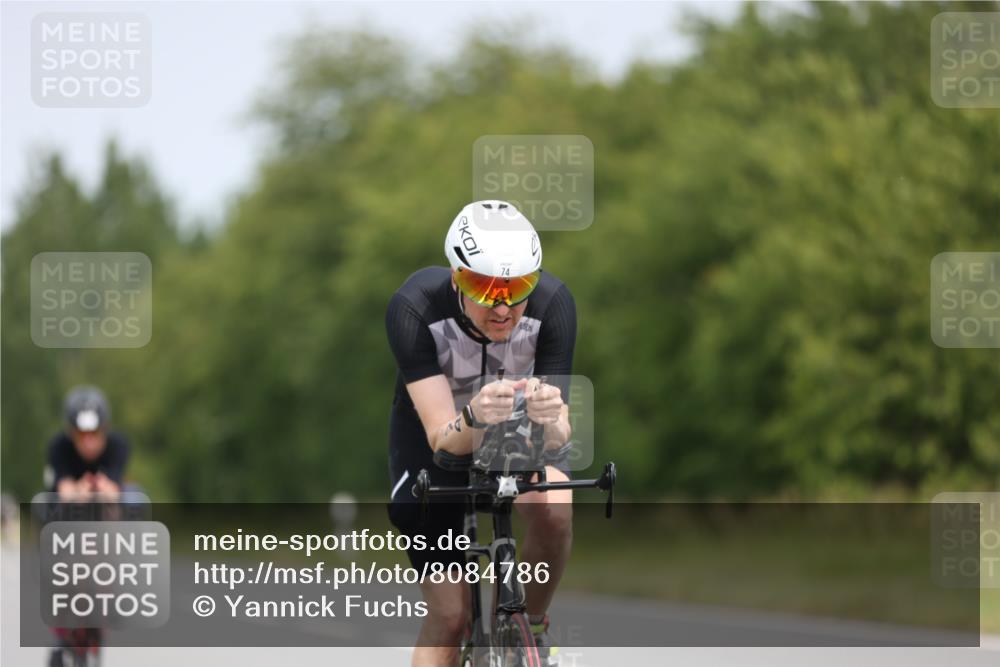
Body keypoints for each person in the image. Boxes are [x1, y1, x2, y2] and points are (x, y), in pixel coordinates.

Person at [386, 200, 577, 667]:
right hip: (437, 443)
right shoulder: (414, 308)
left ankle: (528, 625)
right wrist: (472, 416)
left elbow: (560, 437)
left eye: (518, 288)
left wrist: (552, 417)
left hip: (516, 434)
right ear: (456, 277)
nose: (503, 306)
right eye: (484, 286)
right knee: (450, 618)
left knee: (555, 508)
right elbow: (440, 436)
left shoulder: (554, 305)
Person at [45, 386, 130, 503]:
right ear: (71, 433)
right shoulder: (59, 446)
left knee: (135, 496)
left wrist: (103, 490)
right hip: (68, 511)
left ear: (105, 429)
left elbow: (115, 489)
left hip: (108, 508)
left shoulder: (118, 445)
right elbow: (63, 489)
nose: (88, 442)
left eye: (94, 433)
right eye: (81, 434)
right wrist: (77, 491)